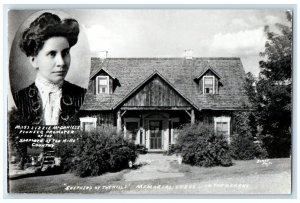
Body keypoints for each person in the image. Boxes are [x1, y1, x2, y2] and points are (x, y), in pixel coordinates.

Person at [13, 12, 86, 125]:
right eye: (52, 54)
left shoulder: (82, 96)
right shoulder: (18, 99)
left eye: (65, 52)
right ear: (34, 60)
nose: (61, 62)